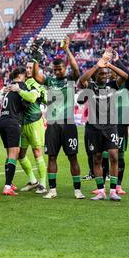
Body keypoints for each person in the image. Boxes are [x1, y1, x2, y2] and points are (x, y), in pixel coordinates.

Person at [31, 36, 85, 199]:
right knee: (52, 157)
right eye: (54, 70)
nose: (57, 72)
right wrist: (35, 57)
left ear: (64, 68)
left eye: (60, 69)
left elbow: (76, 70)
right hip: (53, 125)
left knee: (73, 157)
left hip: (68, 124)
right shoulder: (50, 81)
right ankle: (52, 190)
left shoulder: (70, 79)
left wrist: (67, 49)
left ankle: (77, 190)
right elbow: (35, 75)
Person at [78, 48, 129, 201]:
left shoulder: (112, 85)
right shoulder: (91, 87)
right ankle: (101, 191)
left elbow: (125, 76)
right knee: (97, 158)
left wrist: (108, 65)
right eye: (102, 74)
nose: (105, 76)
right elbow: (82, 80)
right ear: (95, 75)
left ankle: (113, 191)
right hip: (94, 128)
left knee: (114, 156)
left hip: (110, 126)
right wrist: (97, 65)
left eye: (106, 74)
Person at [0, 67, 38, 196]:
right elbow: (28, 102)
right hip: (12, 122)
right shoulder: (21, 86)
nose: (26, 78)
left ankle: (9, 182)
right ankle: (7, 186)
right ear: (21, 76)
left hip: (2, 121)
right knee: (14, 153)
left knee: (9, 153)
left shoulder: (9, 88)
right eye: (25, 76)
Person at [17, 42, 48, 195]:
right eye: (27, 68)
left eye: (31, 68)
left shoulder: (35, 82)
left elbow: (33, 98)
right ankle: (33, 180)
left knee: (37, 152)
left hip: (34, 122)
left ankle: (43, 183)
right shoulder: (25, 82)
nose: (28, 70)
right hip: (24, 123)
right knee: (20, 154)